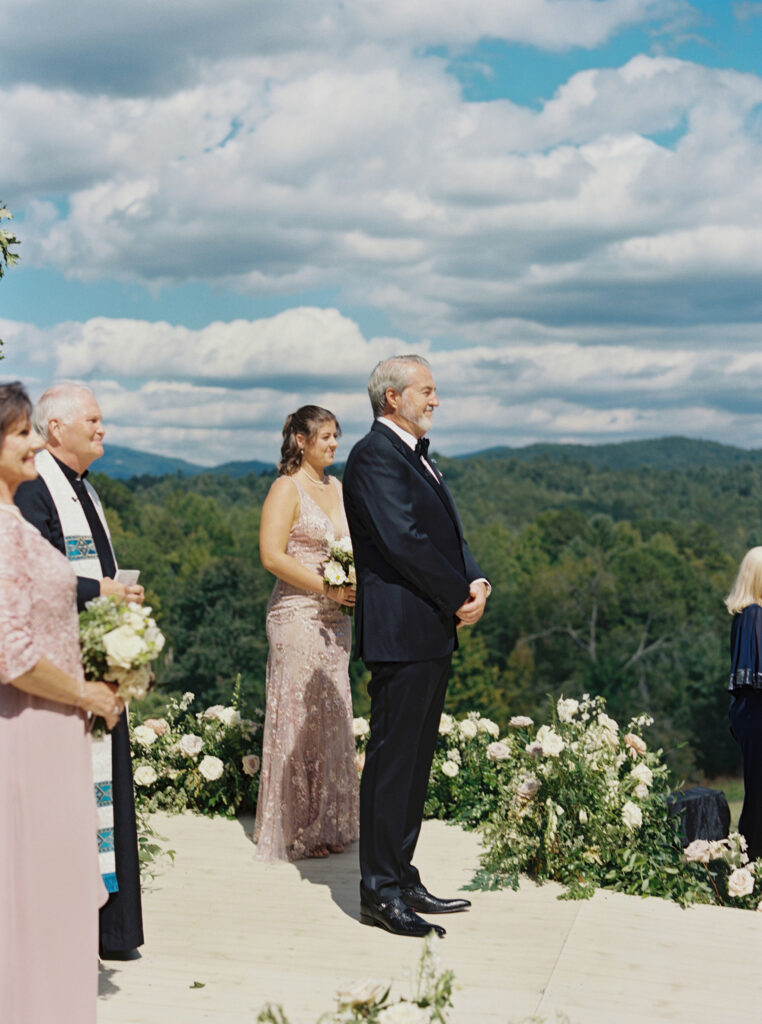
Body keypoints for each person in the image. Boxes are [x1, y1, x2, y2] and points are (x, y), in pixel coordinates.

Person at [342, 355, 490, 937]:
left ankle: (402, 875)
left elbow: (446, 534)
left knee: (415, 764)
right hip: (401, 634)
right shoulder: (374, 455)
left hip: (429, 631)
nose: (435, 400)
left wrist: (475, 581)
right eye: (426, 391)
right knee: (392, 764)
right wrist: (456, 596)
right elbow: (403, 540)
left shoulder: (414, 456)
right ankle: (379, 891)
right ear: (392, 398)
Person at [0, 381, 123, 1024]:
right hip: (29, 727)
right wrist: (87, 693)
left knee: (57, 892)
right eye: (22, 433)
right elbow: (10, 654)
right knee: (36, 890)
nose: (34, 444)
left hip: (55, 728)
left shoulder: (15, 515)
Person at [15, 382, 145, 959]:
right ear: (56, 428)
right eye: (91, 419)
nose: (102, 428)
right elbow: (39, 568)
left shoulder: (82, 489)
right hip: (56, 669)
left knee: (109, 794)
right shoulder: (34, 488)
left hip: (93, 656)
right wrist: (105, 590)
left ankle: (113, 928)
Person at [254, 405, 360, 861]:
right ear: (301, 440)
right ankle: (296, 828)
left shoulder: (337, 487)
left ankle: (327, 822)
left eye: (337, 436)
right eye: (325, 437)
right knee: (299, 717)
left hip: (337, 622)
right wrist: (328, 588)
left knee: (331, 716)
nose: (334, 444)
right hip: (296, 615)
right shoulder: (286, 488)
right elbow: (272, 556)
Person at [726, 546, 762, 861]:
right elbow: (754, 678)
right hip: (757, 713)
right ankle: (752, 862)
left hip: (750, 713)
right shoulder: (754, 615)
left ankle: (749, 861)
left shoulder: (745, 615)